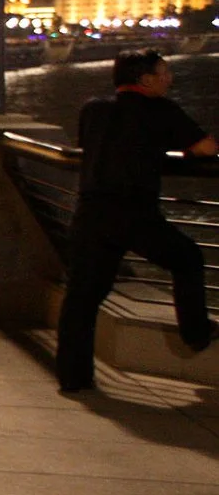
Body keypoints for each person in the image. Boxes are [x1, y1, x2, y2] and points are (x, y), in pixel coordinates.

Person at [54, 50, 217, 393]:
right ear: (145, 80)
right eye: (164, 73)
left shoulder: (93, 110)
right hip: (133, 212)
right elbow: (205, 148)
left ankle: (73, 378)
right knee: (187, 257)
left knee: (83, 297)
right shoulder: (161, 111)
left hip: (91, 210)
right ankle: (196, 333)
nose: (169, 79)